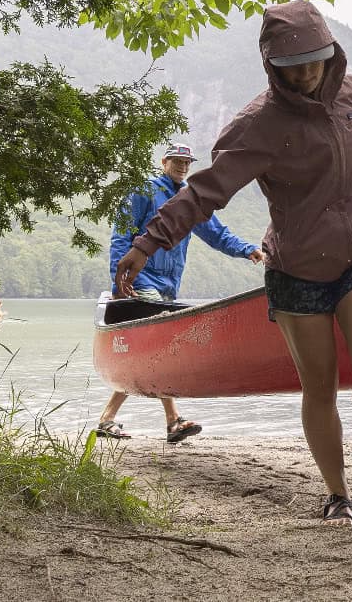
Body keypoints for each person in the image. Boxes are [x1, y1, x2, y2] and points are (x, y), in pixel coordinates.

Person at [114, 1, 352, 527]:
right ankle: (338, 493)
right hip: (295, 267)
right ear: (272, 65)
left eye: (315, 60)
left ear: (331, 52)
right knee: (319, 386)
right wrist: (146, 244)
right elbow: (204, 193)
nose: (306, 73)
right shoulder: (259, 125)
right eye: (292, 66)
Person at [99, 142, 263, 442]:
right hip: (141, 281)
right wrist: (119, 280)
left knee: (148, 353)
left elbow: (215, 233)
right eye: (177, 161)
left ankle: (110, 418)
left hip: (167, 286)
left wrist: (247, 249)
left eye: (187, 163)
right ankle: (173, 420)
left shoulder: (190, 199)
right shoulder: (145, 191)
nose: (182, 167)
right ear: (164, 162)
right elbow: (121, 235)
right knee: (159, 349)